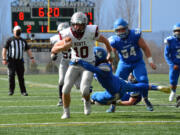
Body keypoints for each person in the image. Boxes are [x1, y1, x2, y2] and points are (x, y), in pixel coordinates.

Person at [51, 12, 113, 119]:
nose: (77, 27)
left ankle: (87, 101)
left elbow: (105, 41)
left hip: (88, 64)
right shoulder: (67, 33)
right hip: (74, 63)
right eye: (75, 24)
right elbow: (54, 49)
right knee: (65, 89)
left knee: (84, 90)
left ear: (85, 24)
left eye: (79, 24)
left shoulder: (91, 31)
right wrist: (64, 46)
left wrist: (110, 53)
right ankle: (66, 112)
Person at [72, 47, 161, 113]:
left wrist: (79, 61)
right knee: (135, 86)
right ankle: (157, 88)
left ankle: (98, 102)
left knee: (95, 97)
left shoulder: (103, 67)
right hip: (121, 84)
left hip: (114, 93)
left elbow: (92, 69)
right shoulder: (104, 65)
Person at [108, 18, 156, 111]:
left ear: (127, 28)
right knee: (115, 83)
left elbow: (145, 48)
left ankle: (145, 99)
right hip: (124, 63)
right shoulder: (114, 40)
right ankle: (113, 104)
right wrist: (110, 64)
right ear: (115, 31)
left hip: (137, 62)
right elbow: (112, 55)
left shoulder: (134, 35)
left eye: (123, 29)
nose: (121, 32)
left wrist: (150, 61)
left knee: (143, 80)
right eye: (118, 30)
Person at [2, 25, 35, 96]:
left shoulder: (23, 41)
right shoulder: (10, 40)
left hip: (20, 61)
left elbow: (28, 49)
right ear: (13, 32)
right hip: (11, 61)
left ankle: (23, 91)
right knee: (11, 75)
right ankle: (11, 91)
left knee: (21, 77)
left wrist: (31, 57)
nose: (18, 32)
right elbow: (4, 49)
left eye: (19, 31)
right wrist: (4, 59)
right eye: (17, 31)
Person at [50, 22, 70, 106]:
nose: (61, 34)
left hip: (75, 61)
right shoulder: (57, 38)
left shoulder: (73, 37)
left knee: (78, 85)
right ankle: (61, 99)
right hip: (65, 61)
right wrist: (53, 54)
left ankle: (85, 97)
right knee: (61, 80)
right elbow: (53, 49)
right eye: (60, 32)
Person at [164, 23, 180, 102]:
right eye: (176, 31)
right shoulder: (170, 40)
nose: (177, 32)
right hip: (175, 65)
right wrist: (172, 64)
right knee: (173, 81)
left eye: (179, 31)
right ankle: (173, 92)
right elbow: (166, 55)